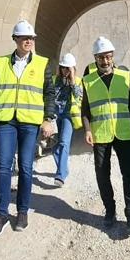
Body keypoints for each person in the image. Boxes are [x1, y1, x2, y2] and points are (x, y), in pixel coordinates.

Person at [0, 20, 56, 238]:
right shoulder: (3, 62)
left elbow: (49, 93)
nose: (28, 41)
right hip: (6, 120)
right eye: (24, 38)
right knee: (4, 166)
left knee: (26, 167)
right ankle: (1, 214)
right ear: (15, 39)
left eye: (31, 38)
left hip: (29, 122)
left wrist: (48, 119)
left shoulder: (42, 64)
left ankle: (22, 211)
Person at [81, 36, 130, 233]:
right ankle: (110, 211)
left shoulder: (123, 77)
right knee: (102, 174)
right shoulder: (88, 80)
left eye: (108, 57)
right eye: (101, 57)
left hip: (124, 132)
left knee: (128, 173)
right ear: (95, 58)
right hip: (101, 134)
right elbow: (85, 109)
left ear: (112, 57)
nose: (105, 61)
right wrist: (87, 130)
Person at [52, 53, 83, 187]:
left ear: (72, 68)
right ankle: (64, 168)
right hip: (54, 115)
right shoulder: (54, 79)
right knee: (53, 146)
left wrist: (72, 81)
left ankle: (60, 175)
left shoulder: (78, 81)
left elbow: (79, 95)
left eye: (67, 68)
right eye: (63, 67)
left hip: (68, 115)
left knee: (64, 142)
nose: (65, 70)